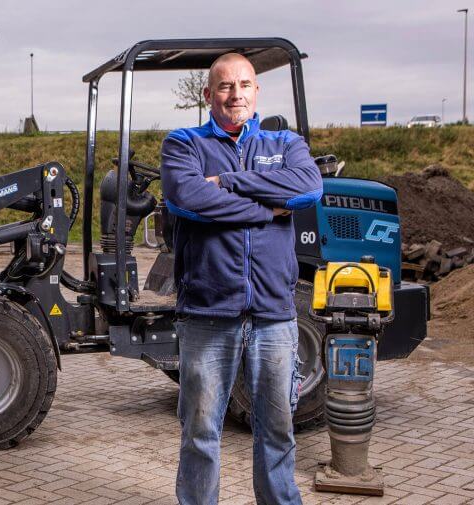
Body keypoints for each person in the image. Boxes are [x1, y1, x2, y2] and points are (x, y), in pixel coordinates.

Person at [159, 53, 322, 504]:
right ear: (208, 94)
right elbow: (188, 199)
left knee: (278, 431)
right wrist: (269, 208)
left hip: (274, 315)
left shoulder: (285, 143)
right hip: (208, 313)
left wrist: (229, 182)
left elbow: (309, 188)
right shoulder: (184, 144)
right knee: (200, 432)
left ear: (256, 91)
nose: (236, 95)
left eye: (244, 85)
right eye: (226, 86)